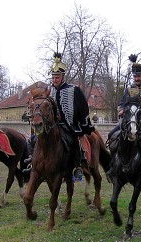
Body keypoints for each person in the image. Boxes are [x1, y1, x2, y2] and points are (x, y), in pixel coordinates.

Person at [48, 52, 95, 181]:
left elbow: (83, 108)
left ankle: (77, 166)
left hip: (70, 125)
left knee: (73, 141)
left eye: (57, 77)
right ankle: (34, 162)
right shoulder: (49, 91)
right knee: (36, 139)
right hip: (52, 125)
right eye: (53, 77)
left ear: (63, 77)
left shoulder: (73, 90)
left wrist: (83, 124)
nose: (54, 80)